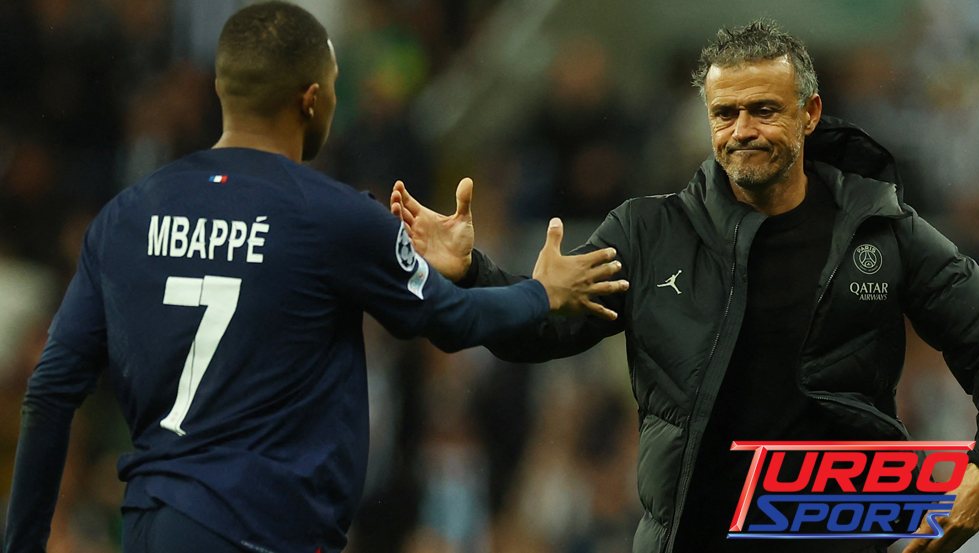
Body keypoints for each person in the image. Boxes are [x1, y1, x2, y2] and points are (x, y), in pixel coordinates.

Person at [2, 3, 628, 553]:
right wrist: (542, 293)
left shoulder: (125, 215)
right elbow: (454, 321)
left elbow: (51, 390)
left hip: (149, 524)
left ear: (223, 89)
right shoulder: (332, 216)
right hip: (261, 529)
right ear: (310, 98)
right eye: (333, 84)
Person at [390, 19, 979, 553]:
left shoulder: (881, 229)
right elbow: (542, 331)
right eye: (724, 113)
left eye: (764, 110)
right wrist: (473, 273)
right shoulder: (647, 233)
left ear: (810, 114)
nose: (742, 130)